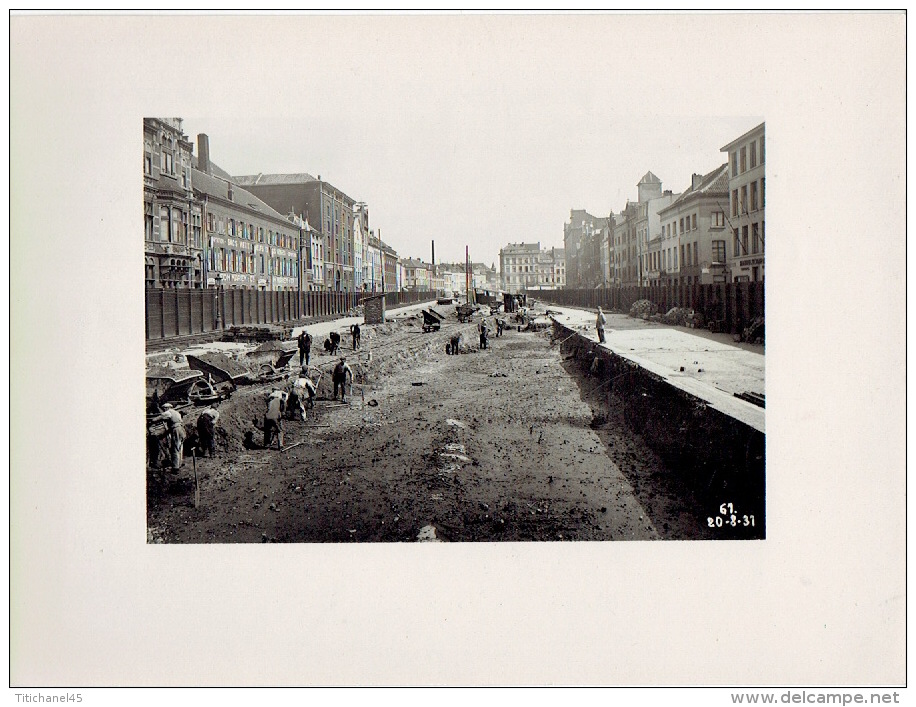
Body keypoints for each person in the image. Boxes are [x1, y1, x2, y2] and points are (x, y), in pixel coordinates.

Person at [156, 403, 186, 471]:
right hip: (181, 429)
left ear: (167, 408)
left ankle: (175, 467)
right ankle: (179, 463)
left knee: (175, 449)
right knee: (180, 447)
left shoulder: (168, 412)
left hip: (176, 430)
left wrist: (151, 420)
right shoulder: (176, 412)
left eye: (164, 409)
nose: (163, 410)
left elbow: (158, 418)